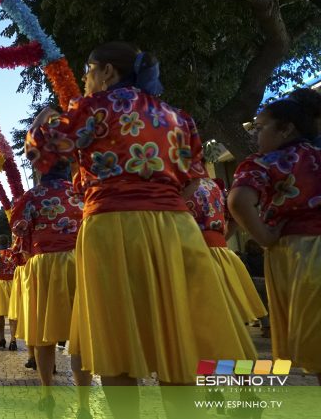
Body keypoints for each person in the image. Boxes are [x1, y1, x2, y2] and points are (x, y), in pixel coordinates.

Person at [27, 41, 256, 418]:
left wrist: (45, 119)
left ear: (107, 73)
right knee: (176, 331)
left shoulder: (92, 109)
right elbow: (191, 182)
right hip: (174, 228)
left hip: (112, 228)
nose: (85, 80)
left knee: (116, 338)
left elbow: (41, 151)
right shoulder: (178, 116)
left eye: (88, 71)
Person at [228, 88, 321, 384]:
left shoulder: (266, 163)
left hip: (301, 255)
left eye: (261, 127)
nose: (257, 135)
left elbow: (239, 201)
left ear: (286, 128)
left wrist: (264, 236)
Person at [11, 159, 92, 418]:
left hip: (44, 264)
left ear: (40, 172)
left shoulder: (31, 197)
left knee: (42, 333)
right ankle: (83, 404)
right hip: (78, 261)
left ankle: (47, 393)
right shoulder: (81, 192)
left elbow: (19, 230)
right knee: (80, 335)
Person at [185, 178, 267, 323]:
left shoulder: (181, 183)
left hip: (192, 255)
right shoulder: (214, 185)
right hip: (221, 254)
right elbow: (234, 216)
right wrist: (222, 237)